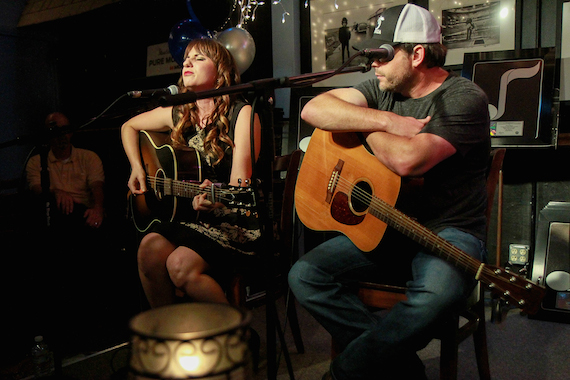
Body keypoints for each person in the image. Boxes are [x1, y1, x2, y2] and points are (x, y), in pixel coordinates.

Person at [288, 4, 490, 380]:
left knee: (436, 297)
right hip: (388, 228)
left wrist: (360, 126)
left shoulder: (463, 98)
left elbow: (407, 161)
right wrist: (386, 120)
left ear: (416, 54)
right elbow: (315, 109)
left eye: (381, 56)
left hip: (448, 231)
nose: (373, 66)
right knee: (305, 275)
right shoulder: (383, 90)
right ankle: (401, 369)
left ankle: (345, 371)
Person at [121, 38, 262, 308]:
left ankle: (235, 337)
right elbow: (129, 127)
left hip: (236, 219)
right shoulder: (179, 112)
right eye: (187, 58)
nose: (187, 62)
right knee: (148, 249)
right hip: (192, 216)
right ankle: (170, 338)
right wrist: (138, 168)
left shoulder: (241, 113)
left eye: (199, 58)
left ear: (220, 72)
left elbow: (239, 185)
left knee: (179, 265)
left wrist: (216, 200)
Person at [26, 112, 105, 229]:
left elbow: (97, 186)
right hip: (54, 214)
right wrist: (56, 193)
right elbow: (37, 189)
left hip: (83, 213)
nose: (61, 135)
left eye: (64, 130)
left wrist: (97, 209)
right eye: (55, 131)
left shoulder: (88, 157)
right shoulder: (36, 161)